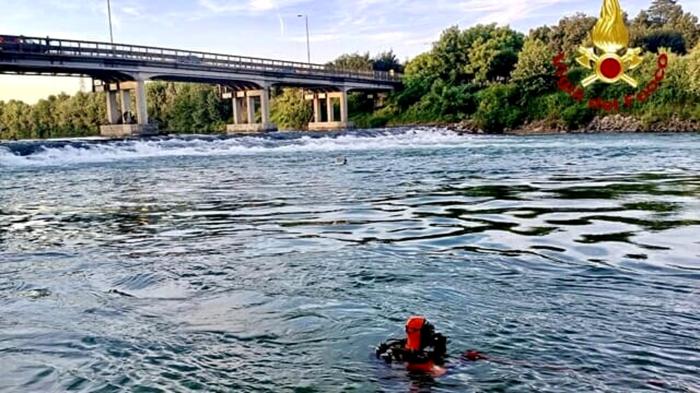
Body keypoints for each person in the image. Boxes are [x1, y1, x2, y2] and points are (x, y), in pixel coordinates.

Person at [375, 316, 448, 375]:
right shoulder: (396, 346)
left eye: (413, 330)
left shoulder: (435, 346)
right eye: (408, 329)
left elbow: (440, 370)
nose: (409, 331)